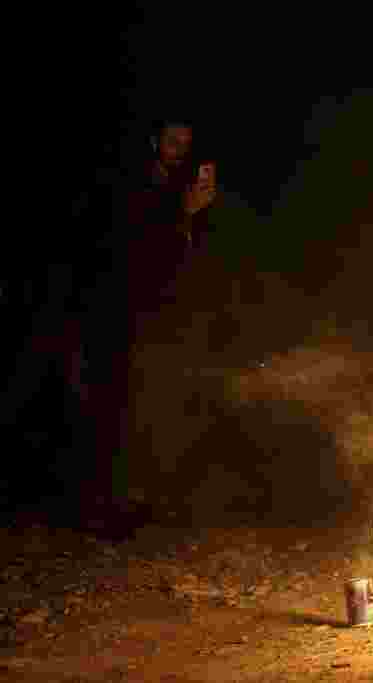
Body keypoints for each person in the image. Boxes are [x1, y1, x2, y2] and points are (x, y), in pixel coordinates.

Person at [78, 117, 217, 533]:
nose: (179, 150)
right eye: (172, 141)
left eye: (185, 144)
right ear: (154, 140)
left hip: (157, 310)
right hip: (116, 307)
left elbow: (187, 251)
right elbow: (134, 243)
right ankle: (101, 506)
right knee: (111, 403)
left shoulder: (176, 186)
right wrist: (183, 214)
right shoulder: (131, 183)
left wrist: (193, 214)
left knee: (144, 402)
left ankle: (134, 501)